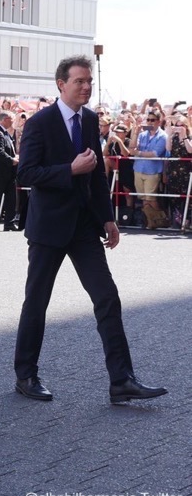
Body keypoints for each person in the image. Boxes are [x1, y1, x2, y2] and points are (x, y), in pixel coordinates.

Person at [13, 55, 166, 404]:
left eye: (89, 82)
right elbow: (26, 174)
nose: (86, 87)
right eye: (79, 81)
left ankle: (122, 380)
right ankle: (26, 375)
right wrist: (69, 169)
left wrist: (107, 217)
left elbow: (95, 174)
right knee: (37, 303)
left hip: (84, 227)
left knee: (107, 298)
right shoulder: (39, 123)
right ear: (61, 84)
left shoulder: (90, 119)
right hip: (48, 228)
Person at [131, 110, 169, 229]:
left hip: (152, 171)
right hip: (138, 169)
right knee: (143, 199)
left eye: (152, 120)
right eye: (148, 120)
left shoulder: (163, 136)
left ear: (159, 121)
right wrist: (135, 133)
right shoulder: (142, 134)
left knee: (150, 198)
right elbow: (131, 148)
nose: (149, 122)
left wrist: (138, 153)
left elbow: (155, 153)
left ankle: (163, 220)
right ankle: (150, 222)